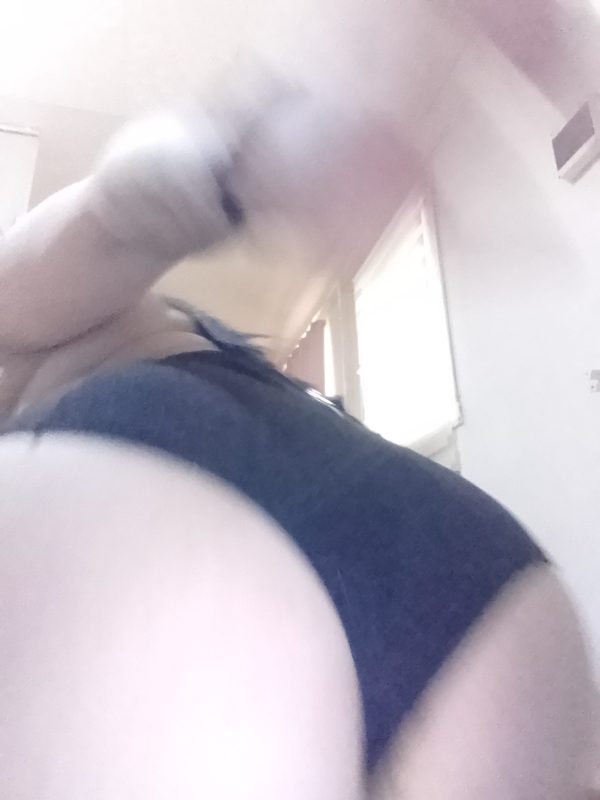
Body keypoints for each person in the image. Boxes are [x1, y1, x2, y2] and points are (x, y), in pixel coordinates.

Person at [0, 94, 594, 799]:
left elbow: (107, 222)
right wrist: (235, 161)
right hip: (477, 599)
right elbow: (115, 215)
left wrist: (230, 165)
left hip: (180, 579)